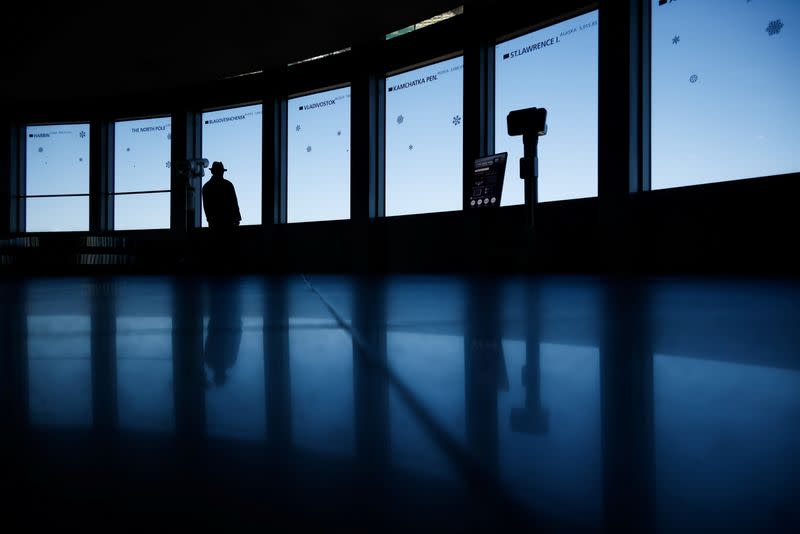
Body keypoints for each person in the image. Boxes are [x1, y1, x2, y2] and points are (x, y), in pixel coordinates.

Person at [202, 161, 241, 229]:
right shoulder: (228, 185)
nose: (221, 173)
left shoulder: (207, 186)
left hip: (214, 223)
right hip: (228, 222)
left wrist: (210, 219)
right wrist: (237, 218)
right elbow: (234, 203)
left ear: (212, 172)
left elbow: (206, 206)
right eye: (220, 171)